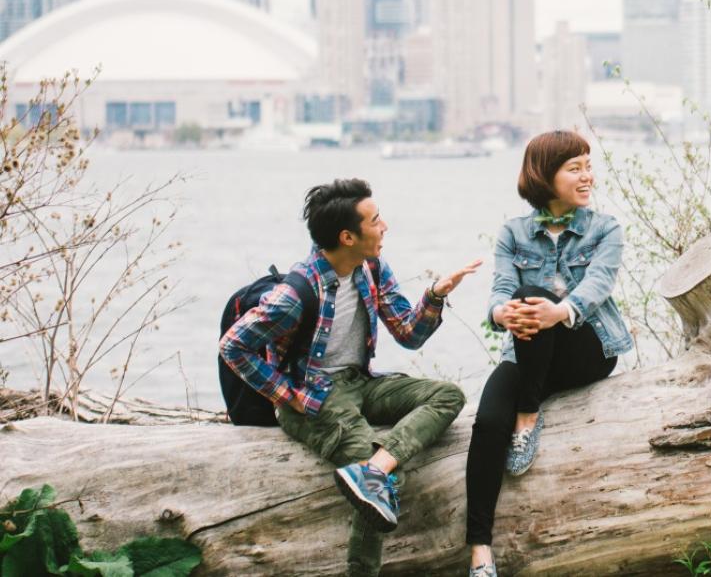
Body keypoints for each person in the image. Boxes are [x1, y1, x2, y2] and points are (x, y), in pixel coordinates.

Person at [220, 178, 479, 577]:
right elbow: (233, 346)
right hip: (313, 399)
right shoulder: (297, 291)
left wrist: (437, 295)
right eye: (376, 220)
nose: (385, 226)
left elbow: (408, 335)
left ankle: (374, 468)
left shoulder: (370, 267)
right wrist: (290, 396)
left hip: (361, 382)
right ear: (347, 236)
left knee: (447, 396)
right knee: (383, 489)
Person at [465, 130, 633, 577]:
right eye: (574, 168)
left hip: (588, 346)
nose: (587, 177)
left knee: (536, 295)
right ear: (546, 175)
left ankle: (529, 413)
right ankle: (480, 551)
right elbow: (500, 292)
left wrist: (557, 311)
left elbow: (596, 288)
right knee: (486, 424)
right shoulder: (513, 233)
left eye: (588, 166)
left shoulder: (605, 229)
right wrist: (504, 313)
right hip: (529, 347)